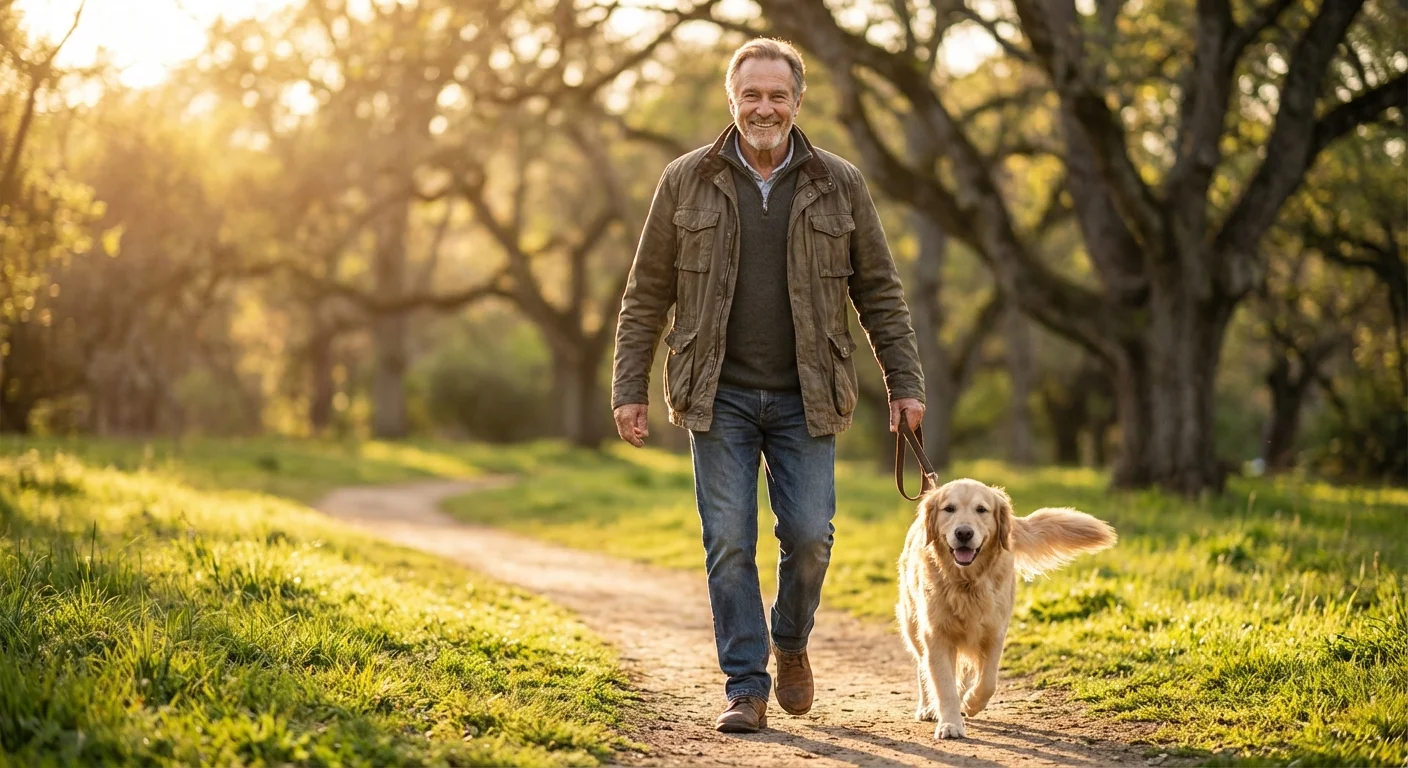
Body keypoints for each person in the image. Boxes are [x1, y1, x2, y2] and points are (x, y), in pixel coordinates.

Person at [609, 38, 926, 733]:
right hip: (714, 391)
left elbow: (879, 290)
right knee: (728, 541)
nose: (764, 107)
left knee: (810, 536)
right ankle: (745, 686)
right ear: (733, 99)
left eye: (777, 95)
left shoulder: (840, 183)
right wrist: (628, 387)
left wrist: (904, 381)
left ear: (797, 101)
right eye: (751, 94)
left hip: (807, 396)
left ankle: (789, 640)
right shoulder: (684, 180)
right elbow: (646, 293)